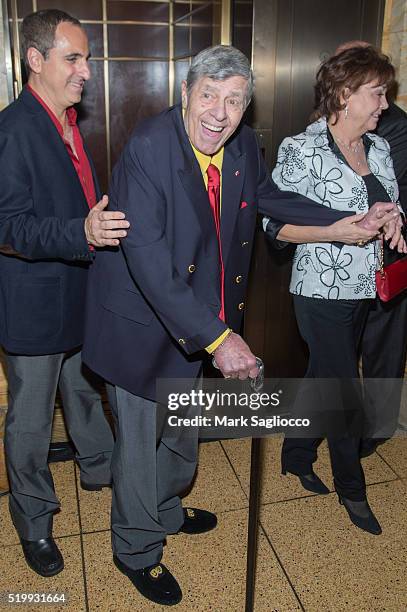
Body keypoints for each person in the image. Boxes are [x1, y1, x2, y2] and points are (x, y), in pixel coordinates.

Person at [82, 44, 400, 606]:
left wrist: (345, 218)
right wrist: (222, 338)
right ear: (185, 95)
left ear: (245, 108)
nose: (219, 112)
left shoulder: (241, 149)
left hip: (195, 322)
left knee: (180, 438)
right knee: (138, 447)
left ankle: (167, 509)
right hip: (140, 323)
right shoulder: (150, 149)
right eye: (208, 95)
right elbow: (152, 266)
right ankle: (136, 549)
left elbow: (271, 197)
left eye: (234, 101)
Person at [0, 10, 129, 578]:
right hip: (31, 308)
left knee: (82, 391)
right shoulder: (12, 130)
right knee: (29, 423)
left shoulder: (68, 123)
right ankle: (34, 522)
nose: (86, 70)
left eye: (87, 57)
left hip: (79, 293)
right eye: (73, 58)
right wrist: (80, 233)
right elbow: (9, 227)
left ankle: (98, 469)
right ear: (36, 60)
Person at [264, 46, 405, 536]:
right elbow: (273, 227)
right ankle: (353, 488)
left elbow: (388, 203)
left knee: (324, 372)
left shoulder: (379, 146)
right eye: (377, 93)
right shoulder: (300, 150)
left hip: (367, 286)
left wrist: (395, 224)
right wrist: (335, 232)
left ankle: (296, 452)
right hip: (320, 290)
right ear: (345, 95)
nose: (385, 104)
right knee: (344, 387)